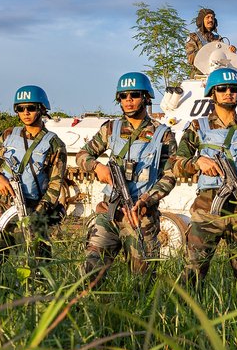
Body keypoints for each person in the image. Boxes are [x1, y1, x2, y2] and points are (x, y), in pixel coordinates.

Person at [171, 67, 237, 290]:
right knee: (193, 273)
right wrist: (197, 162)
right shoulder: (198, 127)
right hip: (207, 208)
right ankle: (186, 318)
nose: (228, 93)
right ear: (212, 93)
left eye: (234, 89)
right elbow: (176, 165)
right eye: (222, 89)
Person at [75, 72, 177, 286]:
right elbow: (82, 156)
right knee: (89, 271)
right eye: (123, 96)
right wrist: (97, 166)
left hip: (141, 215)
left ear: (146, 98)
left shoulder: (163, 134)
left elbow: (170, 175)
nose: (128, 100)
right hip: (109, 211)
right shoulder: (110, 129)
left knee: (143, 280)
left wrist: (147, 200)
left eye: (134, 95)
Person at [0, 85, 68, 275]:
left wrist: (37, 213)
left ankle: (37, 301)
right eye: (20, 108)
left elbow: (55, 185)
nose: (25, 113)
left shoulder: (54, 144)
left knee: (37, 268)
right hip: (4, 208)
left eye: (31, 108)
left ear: (42, 109)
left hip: (34, 209)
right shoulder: (8, 135)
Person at [185, 8, 236, 75]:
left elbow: (224, 57)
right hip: (199, 76)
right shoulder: (193, 37)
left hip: (218, 75)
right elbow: (191, 59)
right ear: (201, 20)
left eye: (212, 18)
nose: (210, 20)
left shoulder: (218, 38)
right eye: (207, 17)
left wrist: (231, 51)